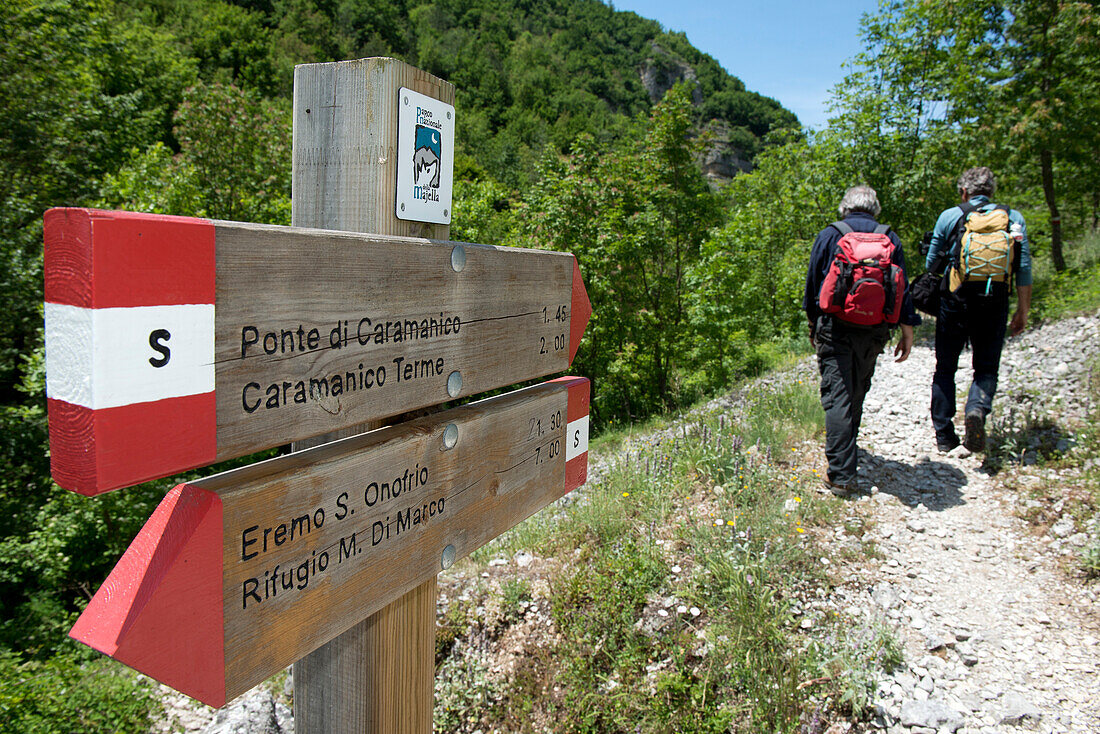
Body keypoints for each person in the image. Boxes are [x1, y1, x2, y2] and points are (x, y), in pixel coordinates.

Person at [803, 185, 918, 495]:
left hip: (835, 326)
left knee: (836, 395)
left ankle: (840, 474)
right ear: (875, 208)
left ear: (845, 208)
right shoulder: (889, 238)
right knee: (856, 390)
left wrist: (813, 325)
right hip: (875, 329)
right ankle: (845, 455)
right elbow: (902, 288)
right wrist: (907, 330)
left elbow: (813, 285)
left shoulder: (831, 234)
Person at [925, 166, 1032, 453]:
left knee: (945, 367)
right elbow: (1023, 268)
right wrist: (1022, 310)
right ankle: (976, 408)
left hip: (956, 301)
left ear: (964, 191)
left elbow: (931, 263)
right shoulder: (1013, 218)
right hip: (994, 301)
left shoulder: (951, 216)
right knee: (986, 366)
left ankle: (945, 436)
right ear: (991, 191)